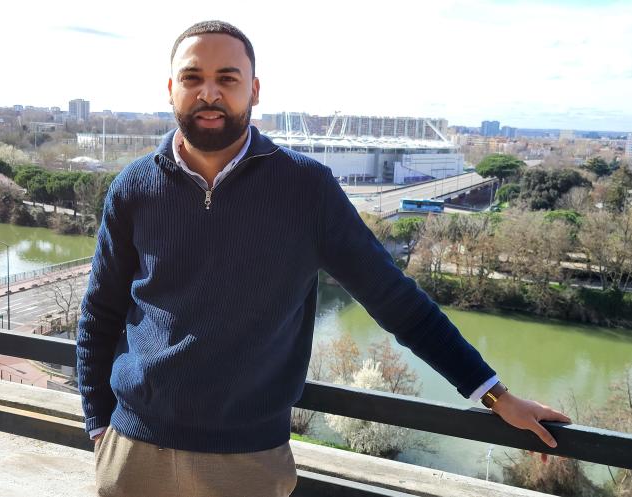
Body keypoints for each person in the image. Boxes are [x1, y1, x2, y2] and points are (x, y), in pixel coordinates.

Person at [76, 20, 570, 497]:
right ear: (170, 89)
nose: (209, 93)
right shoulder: (134, 188)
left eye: (228, 78)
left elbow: (396, 301)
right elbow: (100, 316)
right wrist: (99, 425)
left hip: (246, 461)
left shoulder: (305, 188)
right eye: (193, 78)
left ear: (254, 89)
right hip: (133, 452)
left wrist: (494, 394)